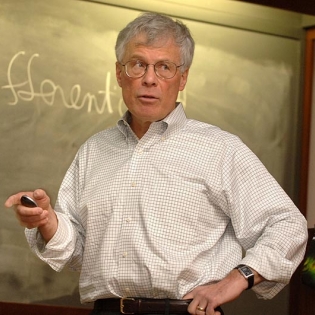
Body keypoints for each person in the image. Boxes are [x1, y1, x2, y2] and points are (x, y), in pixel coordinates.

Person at [5, 12, 308, 315]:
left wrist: (237, 278)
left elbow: (287, 225)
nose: (150, 79)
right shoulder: (93, 151)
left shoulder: (220, 149)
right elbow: (77, 250)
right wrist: (47, 222)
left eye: (164, 67)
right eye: (138, 64)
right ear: (119, 73)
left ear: (183, 78)